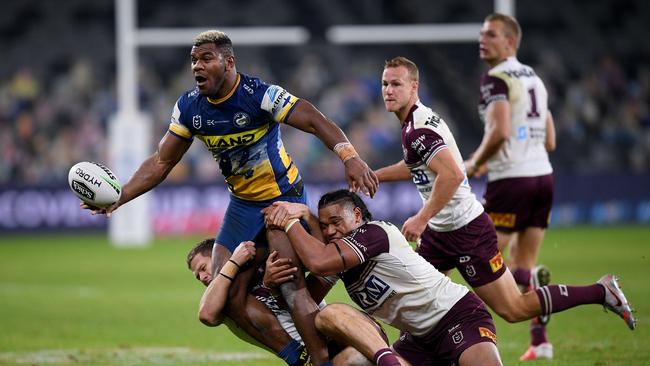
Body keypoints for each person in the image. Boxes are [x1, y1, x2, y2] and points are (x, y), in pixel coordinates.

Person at [82, 30, 379, 365]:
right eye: (194, 59)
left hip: (281, 196)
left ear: (229, 62)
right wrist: (119, 197)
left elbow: (311, 117)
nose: (197, 65)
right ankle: (297, 356)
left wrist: (349, 156)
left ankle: (322, 360)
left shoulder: (258, 94)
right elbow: (162, 161)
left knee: (288, 284)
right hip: (241, 205)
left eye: (206, 58)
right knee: (224, 295)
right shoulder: (189, 107)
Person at [373, 55, 636, 356]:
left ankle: (601, 291)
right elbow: (418, 165)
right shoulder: (414, 124)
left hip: (465, 232)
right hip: (439, 233)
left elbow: (453, 174)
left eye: (396, 84)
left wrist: (421, 217)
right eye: (384, 84)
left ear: (414, 87)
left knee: (513, 308)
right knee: (416, 304)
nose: (388, 90)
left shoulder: (419, 129)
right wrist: (376, 176)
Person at [263, 190, 503, 366]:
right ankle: (389, 361)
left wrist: (291, 221)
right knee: (343, 353)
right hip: (417, 341)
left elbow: (319, 261)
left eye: (335, 222)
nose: (329, 231)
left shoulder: (375, 233)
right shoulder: (341, 260)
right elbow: (304, 300)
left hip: (457, 316)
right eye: (324, 227)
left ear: (357, 215)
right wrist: (274, 285)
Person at [462, 13, 556, 360]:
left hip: (511, 180)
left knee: (482, 256)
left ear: (510, 42)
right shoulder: (535, 78)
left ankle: (470, 331)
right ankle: (540, 340)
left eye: (491, 35)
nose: (482, 39)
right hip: (543, 176)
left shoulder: (495, 78)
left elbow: (500, 131)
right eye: (482, 34)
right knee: (525, 262)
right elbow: (550, 140)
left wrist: (475, 162)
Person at [186, 238, 375, 366]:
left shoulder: (263, 264)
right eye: (197, 276)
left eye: (203, 268)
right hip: (307, 355)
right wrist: (233, 262)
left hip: (336, 334)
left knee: (362, 347)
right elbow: (207, 315)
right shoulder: (224, 300)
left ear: (216, 257)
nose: (202, 277)